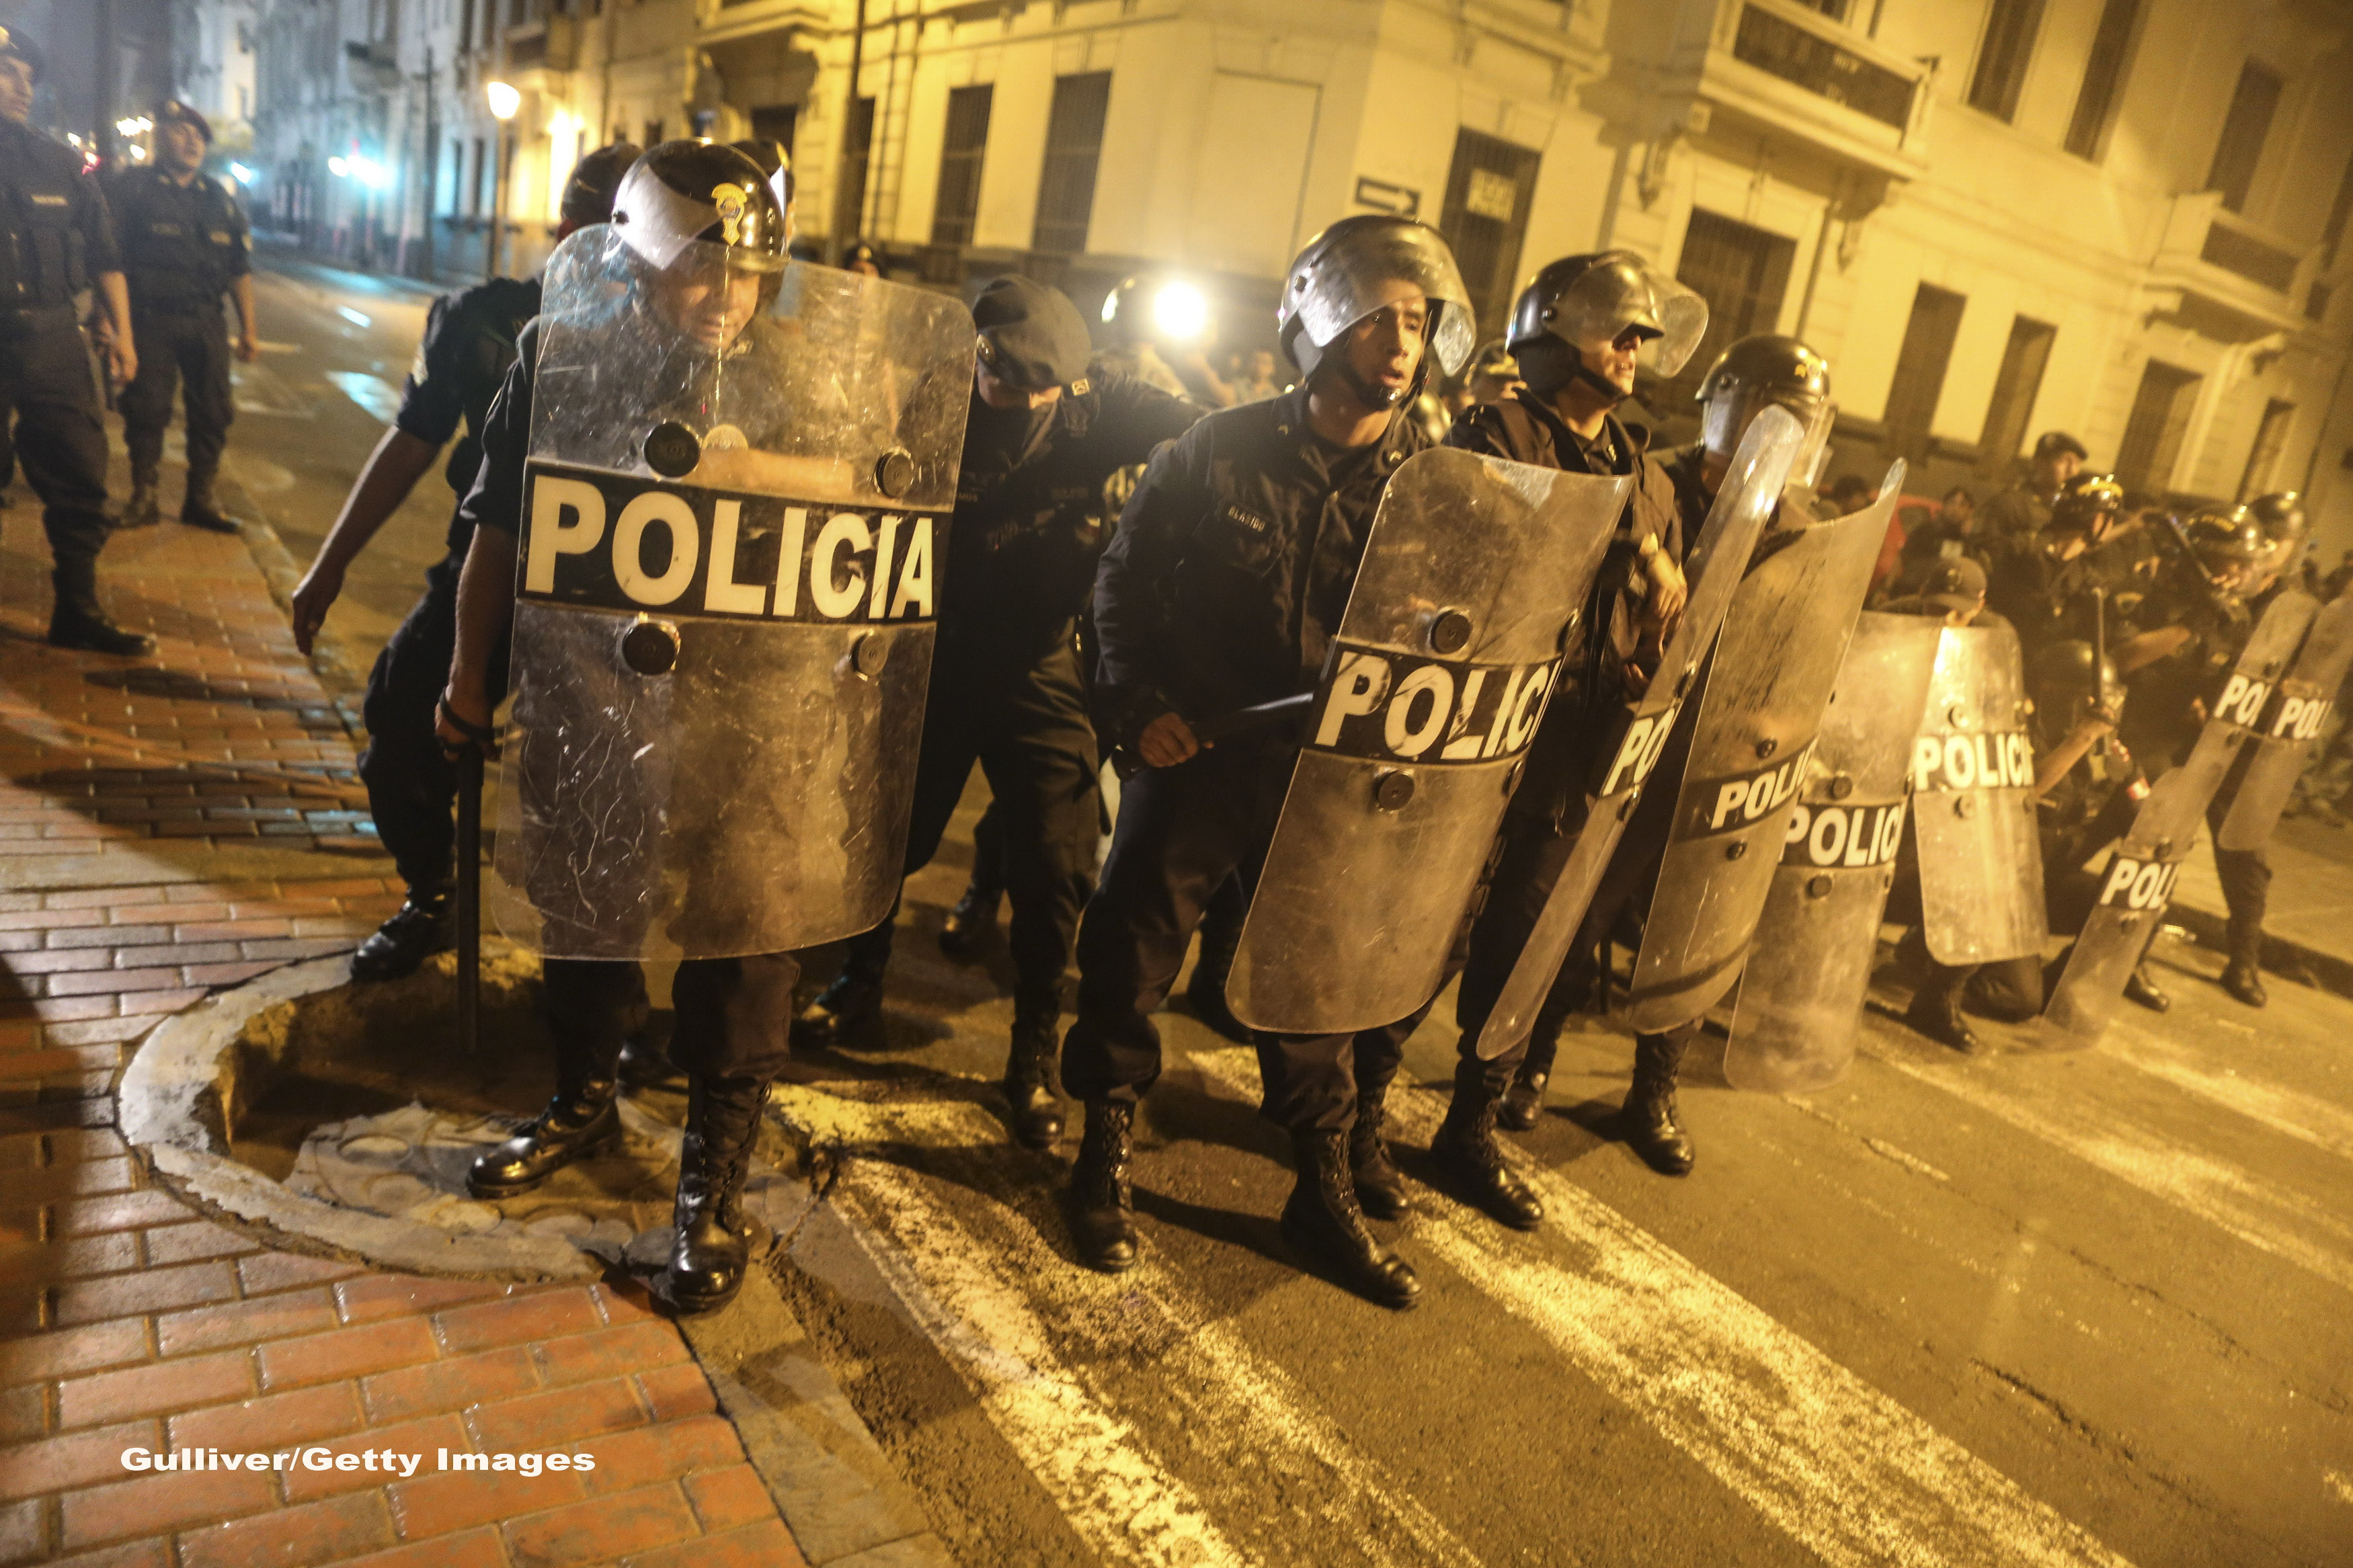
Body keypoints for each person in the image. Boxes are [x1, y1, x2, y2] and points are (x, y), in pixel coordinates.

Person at [1062, 215, 1473, 1308]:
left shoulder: (1432, 487)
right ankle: (1100, 1148)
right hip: (1194, 754)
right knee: (1130, 953)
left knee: (1317, 983)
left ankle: (1321, 1183)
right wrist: (1136, 704)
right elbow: (1121, 582)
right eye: (1379, 312)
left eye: (1419, 319)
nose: (1400, 338)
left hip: (1330, 778)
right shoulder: (1217, 446)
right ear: (1322, 320)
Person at [434, 141, 814, 1315]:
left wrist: (769, 470)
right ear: (644, 261)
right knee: (587, 910)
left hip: (750, 714)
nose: (728, 297)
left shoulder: (799, 376)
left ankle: (712, 1184)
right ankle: (583, 1094)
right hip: (598, 696)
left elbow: (885, 493)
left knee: (744, 946)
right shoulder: (564, 359)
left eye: (749, 274)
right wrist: (465, 674)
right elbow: (496, 530)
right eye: (704, 270)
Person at [794, 276, 1201, 1152]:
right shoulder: (930, 396)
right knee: (882, 843)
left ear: (1070, 382)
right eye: (1000, 378)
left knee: (1055, 876)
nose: (1014, 398)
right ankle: (855, 983)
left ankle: (1030, 1060)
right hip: (927, 657)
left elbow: (1207, 433)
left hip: (1040, 660)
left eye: (1037, 387)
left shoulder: (1104, 410)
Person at [288, 142, 639, 981]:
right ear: (564, 228)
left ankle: (610, 977)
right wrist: (331, 563)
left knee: (614, 790)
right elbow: (412, 442)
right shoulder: (485, 320)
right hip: (487, 561)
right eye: (596, 231)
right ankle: (435, 893)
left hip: (617, 590)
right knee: (402, 727)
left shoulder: (681, 343)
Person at [1484, 333, 1824, 1167]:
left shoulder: (1804, 529)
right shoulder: (1657, 481)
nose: (1775, 436)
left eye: (1796, 423)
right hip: (1631, 733)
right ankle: (1532, 1058)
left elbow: (1811, 643)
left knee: (1699, 923)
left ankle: (1653, 1089)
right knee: (1580, 905)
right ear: (1727, 407)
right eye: (1765, 415)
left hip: (1729, 753)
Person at [1441, 255, 1706, 1172]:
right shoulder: (1500, 428)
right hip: (1483, 728)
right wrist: (1634, 544)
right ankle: (1349, 1127)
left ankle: (1468, 1129)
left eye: (1641, 333)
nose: (1635, 348)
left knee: (1525, 934)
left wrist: (1652, 650)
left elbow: (1648, 610)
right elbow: (1499, 530)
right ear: (1558, 336)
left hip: (1577, 746)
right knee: (1427, 921)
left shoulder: (1645, 470)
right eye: (1617, 328)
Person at [0, 25, 150, 655]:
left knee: (82, 472)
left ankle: (77, 609)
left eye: (29, 77)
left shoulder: (59, 162)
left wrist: (122, 333)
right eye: (8, 72)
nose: (22, 87)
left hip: (51, 337)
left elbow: (104, 254)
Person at [2114, 507, 2272, 1005]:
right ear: (2208, 562)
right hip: (2121, 737)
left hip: (2175, 747)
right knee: (2068, 845)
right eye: (2235, 562)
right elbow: (2123, 657)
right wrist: (2191, 624)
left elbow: (2217, 677)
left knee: (2162, 853)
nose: (2245, 574)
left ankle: (2127, 960)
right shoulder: (2152, 593)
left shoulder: (2233, 612)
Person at [105, 99, 257, 534]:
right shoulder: (133, 190)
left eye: (199, 135)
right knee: (147, 410)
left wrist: (249, 328)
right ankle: (144, 495)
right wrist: (111, 325)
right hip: (150, 322)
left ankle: (200, 499)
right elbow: (110, 259)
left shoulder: (219, 200)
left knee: (213, 412)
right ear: (160, 137)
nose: (192, 141)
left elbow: (238, 268)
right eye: (181, 131)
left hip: (207, 322)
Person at [1982, 471, 2129, 657]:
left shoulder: (2085, 580)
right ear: (2096, 520)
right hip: (1993, 661)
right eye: (2110, 519)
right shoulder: (2023, 553)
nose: (2111, 527)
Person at [1978, 430, 2087, 547]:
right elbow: (1988, 549)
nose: (2072, 470)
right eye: (2064, 461)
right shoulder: (2011, 504)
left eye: (2076, 463)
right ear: (2040, 462)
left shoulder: (2070, 510)